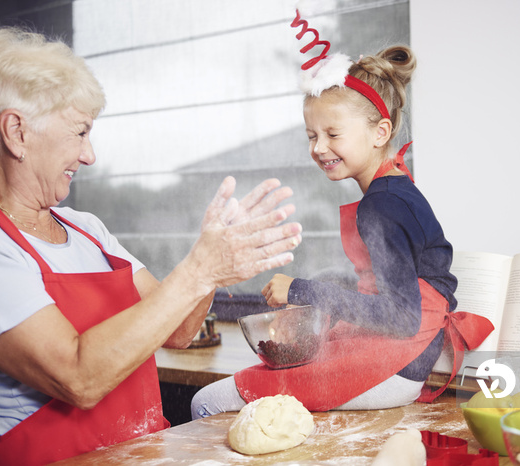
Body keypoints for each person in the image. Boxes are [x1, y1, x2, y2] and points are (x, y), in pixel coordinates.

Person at [0, 27, 302, 465]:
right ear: (16, 132)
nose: (90, 154)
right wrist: (197, 270)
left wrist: (213, 269)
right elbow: (78, 377)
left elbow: (178, 331)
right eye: (79, 132)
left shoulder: (87, 229)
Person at [191, 23, 493, 419]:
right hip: (409, 359)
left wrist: (301, 290)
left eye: (333, 133)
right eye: (311, 135)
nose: (319, 148)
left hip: (396, 363)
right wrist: (332, 278)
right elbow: (392, 281)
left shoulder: (380, 206)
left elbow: (400, 318)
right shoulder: (396, 189)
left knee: (207, 402)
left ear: (380, 132)